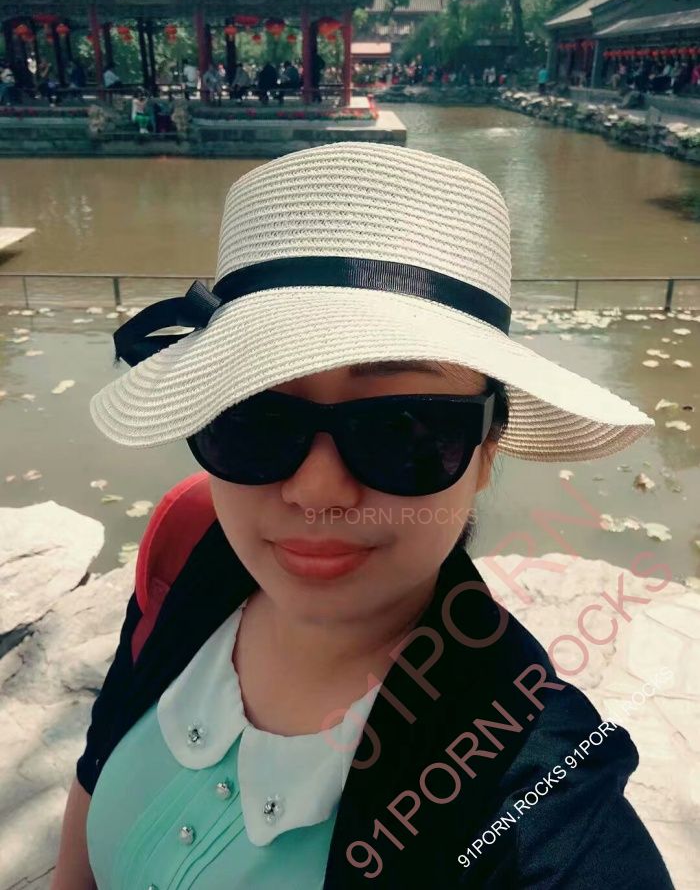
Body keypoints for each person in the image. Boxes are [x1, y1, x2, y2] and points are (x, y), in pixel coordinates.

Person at [53, 142, 675, 890]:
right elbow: (95, 779)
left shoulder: (534, 785)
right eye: (253, 420)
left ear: (487, 451)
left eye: (403, 429)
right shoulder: (193, 550)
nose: (317, 491)